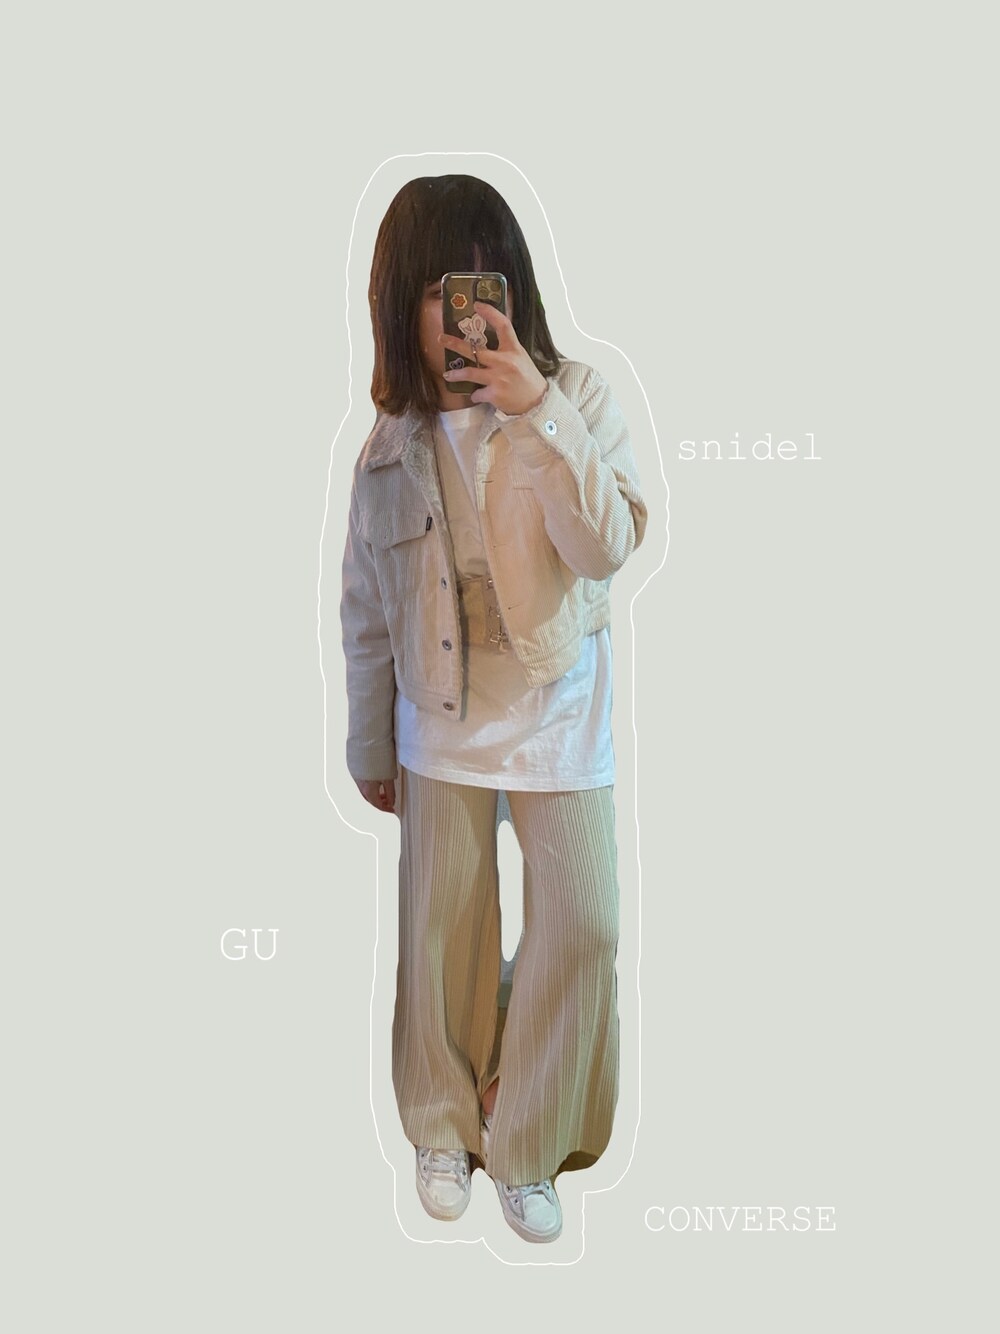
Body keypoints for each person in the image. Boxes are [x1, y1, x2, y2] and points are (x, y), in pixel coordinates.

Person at [340, 174, 647, 1243]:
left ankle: (527, 1135)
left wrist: (536, 412)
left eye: (479, 285)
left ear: (511, 288)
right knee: (443, 941)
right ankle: (442, 1122)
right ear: (400, 305)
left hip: (561, 717)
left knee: (584, 930)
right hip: (438, 726)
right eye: (436, 291)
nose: (460, 314)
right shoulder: (390, 444)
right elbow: (365, 609)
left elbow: (606, 547)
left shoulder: (578, 398)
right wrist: (368, 740)